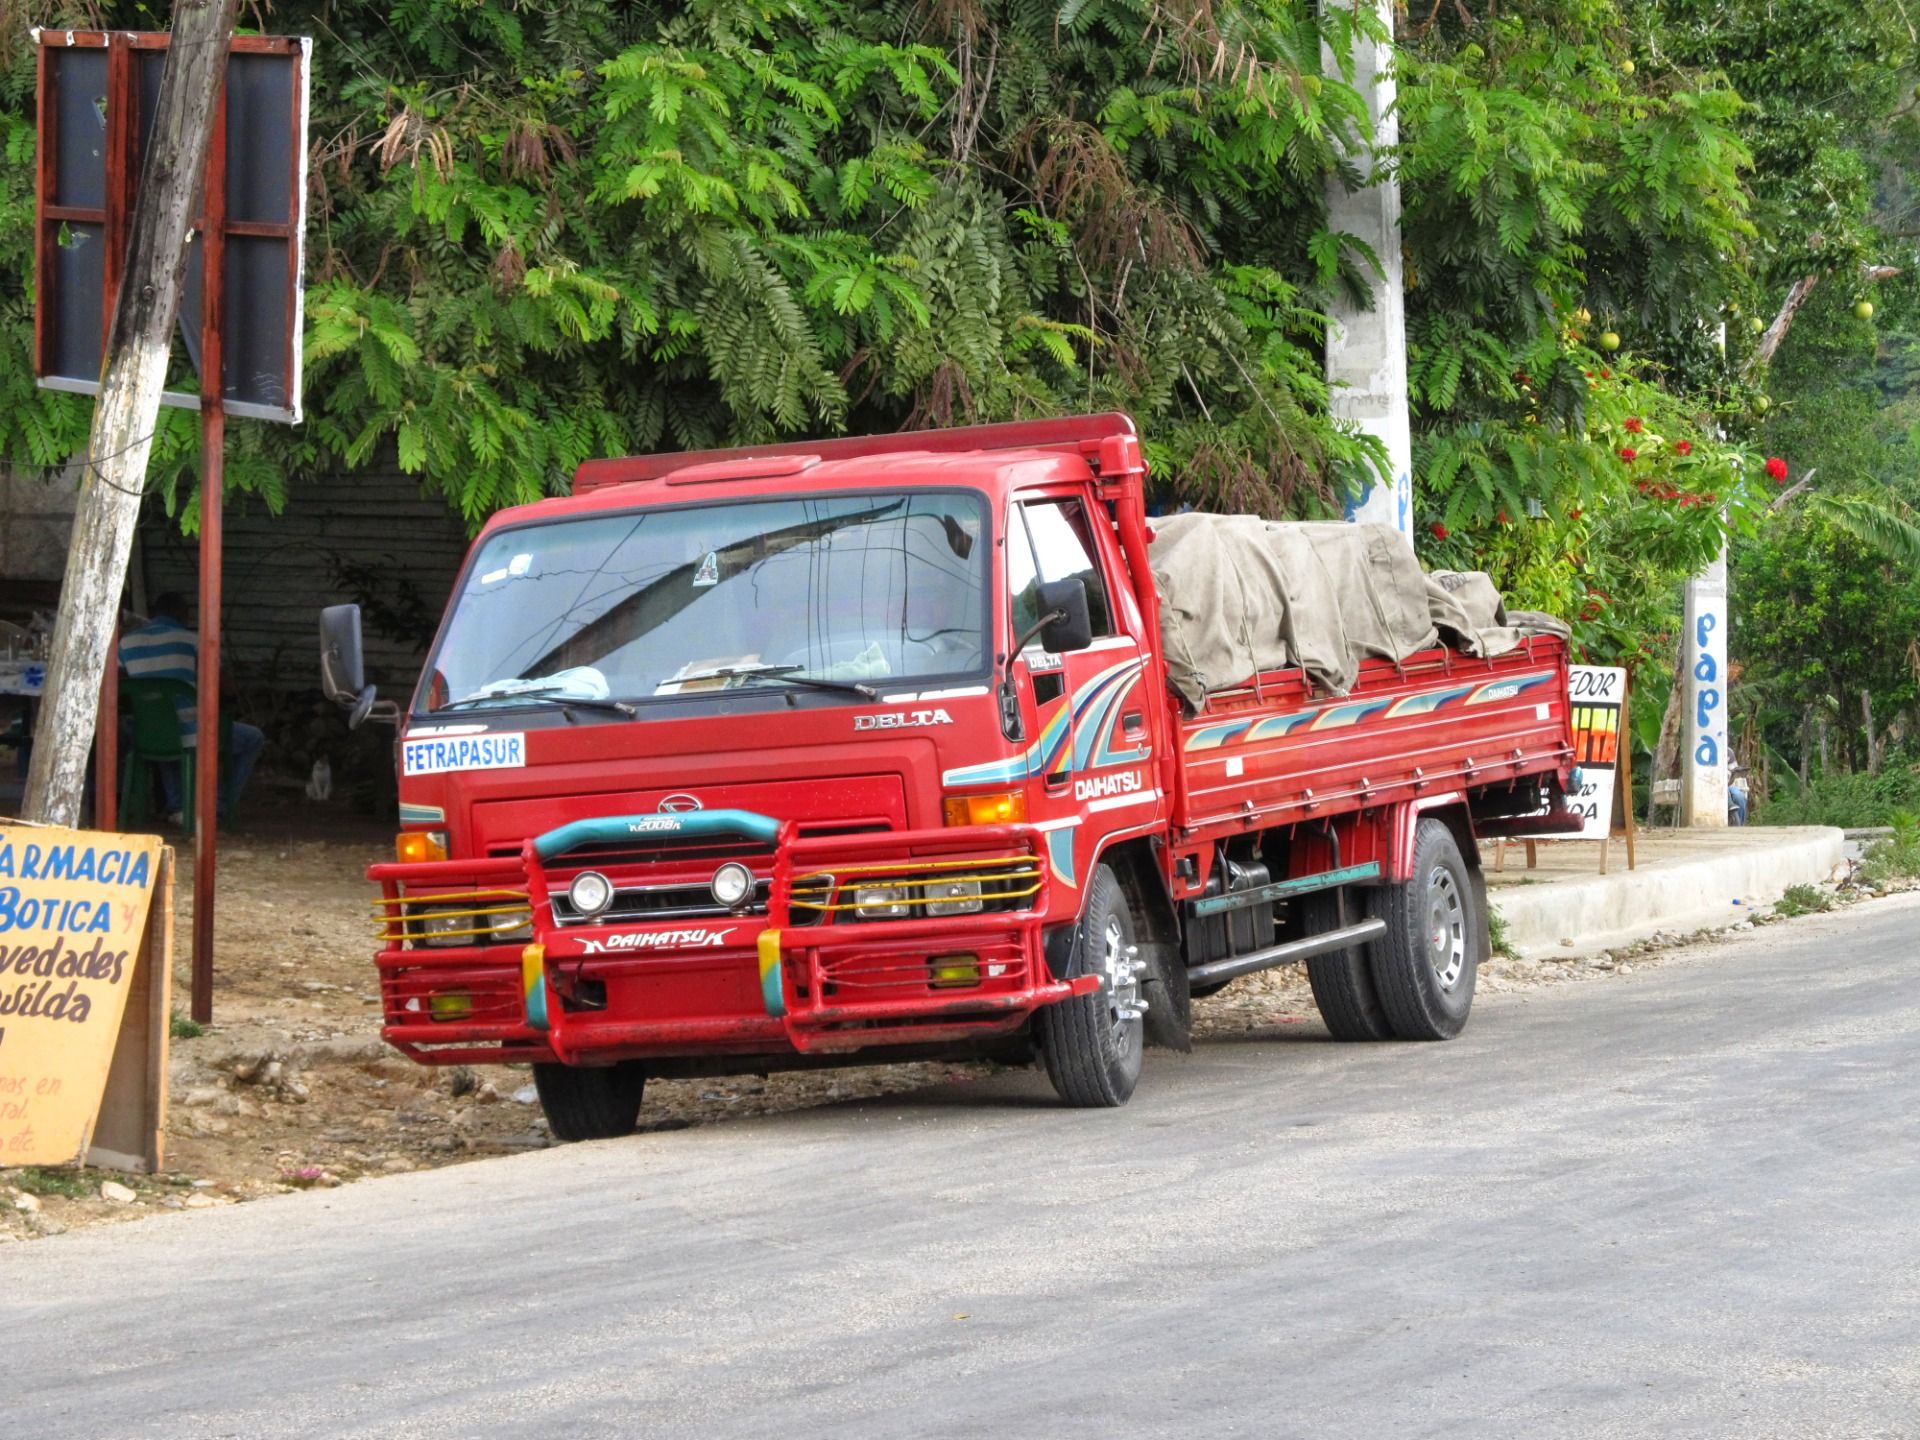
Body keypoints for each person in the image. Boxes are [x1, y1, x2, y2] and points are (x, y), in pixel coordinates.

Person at [119, 593, 265, 825]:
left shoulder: (126, 643)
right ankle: (219, 806)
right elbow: (222, 685)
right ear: (182, 615)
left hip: (145, 733)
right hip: (190, 733)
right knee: (252, 738)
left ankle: (178, 806)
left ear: (154, 614)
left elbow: (118, 680)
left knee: (163, 726)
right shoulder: (191, 640)